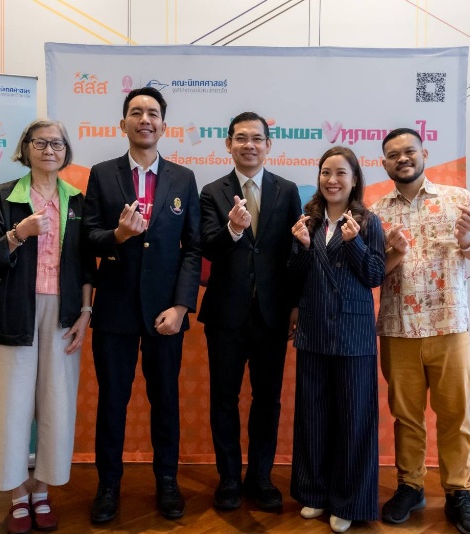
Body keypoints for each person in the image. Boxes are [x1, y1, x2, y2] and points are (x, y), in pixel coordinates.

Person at [83, 87, 201, 523]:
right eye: (136, 112)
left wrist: (182, 307)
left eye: (153, 113)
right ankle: (108, 486)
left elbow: (193, 248)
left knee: (165, 401)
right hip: (114, 310)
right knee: (112, 402)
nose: (145, 119)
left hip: (164, 314)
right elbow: (88, 238)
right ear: (123, 123)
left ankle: (167, 481)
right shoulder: (102, 174)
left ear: (164, 126)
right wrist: (118, 235)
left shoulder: (183, 178)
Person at [0, 118, 94, 534]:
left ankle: (42, 490)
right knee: (11, 407)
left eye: (57, 144)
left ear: (66, 152)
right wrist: (17, 234)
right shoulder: (3, 197)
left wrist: (85, 313)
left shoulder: (77, 200)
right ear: (25, 148)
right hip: (12, 313)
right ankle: (17, 494)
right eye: (40, 143)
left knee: (57, 404)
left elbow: (87, 264)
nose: (48, 150)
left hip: (63, 314)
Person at [371, 128, 470, 534]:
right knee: (405, 416)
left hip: (448, 326)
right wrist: (391, 252)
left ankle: (458, 491)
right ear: (384, 164)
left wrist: (469, 240)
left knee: (454, 415)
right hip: (397, 328)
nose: (402, 159)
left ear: (424, 153)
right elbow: (369, 273)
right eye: (393, 155)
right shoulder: (375, 212)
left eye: (409, 151)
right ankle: (410, 486)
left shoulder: (458, 199)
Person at [198, 112, 302, 511]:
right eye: (241, 138)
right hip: (225, 315)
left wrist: (295, 304)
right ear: (228, 144)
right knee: (224, 398)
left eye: (257, 138)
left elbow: (294, 253)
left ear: (268, 145)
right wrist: (233, 230)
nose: (249, 145)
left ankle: (261, 477)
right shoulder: (212, 191)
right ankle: (228, 479)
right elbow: (207, 246)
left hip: (272, 315)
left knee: (267, 399)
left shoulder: (286, 190)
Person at [289, 146, 385, 533]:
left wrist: (354, 243)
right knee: (312, 416)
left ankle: (349, 501)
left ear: (354, 179)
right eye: (326, 172)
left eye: (341, 173)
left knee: (353, 420)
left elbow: (375, 274)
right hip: (313, 331)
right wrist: (301, 248)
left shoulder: (368, 222)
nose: (332, 180)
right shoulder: (307, 222)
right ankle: (313, 492)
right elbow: (294, 276)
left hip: (353, 335)